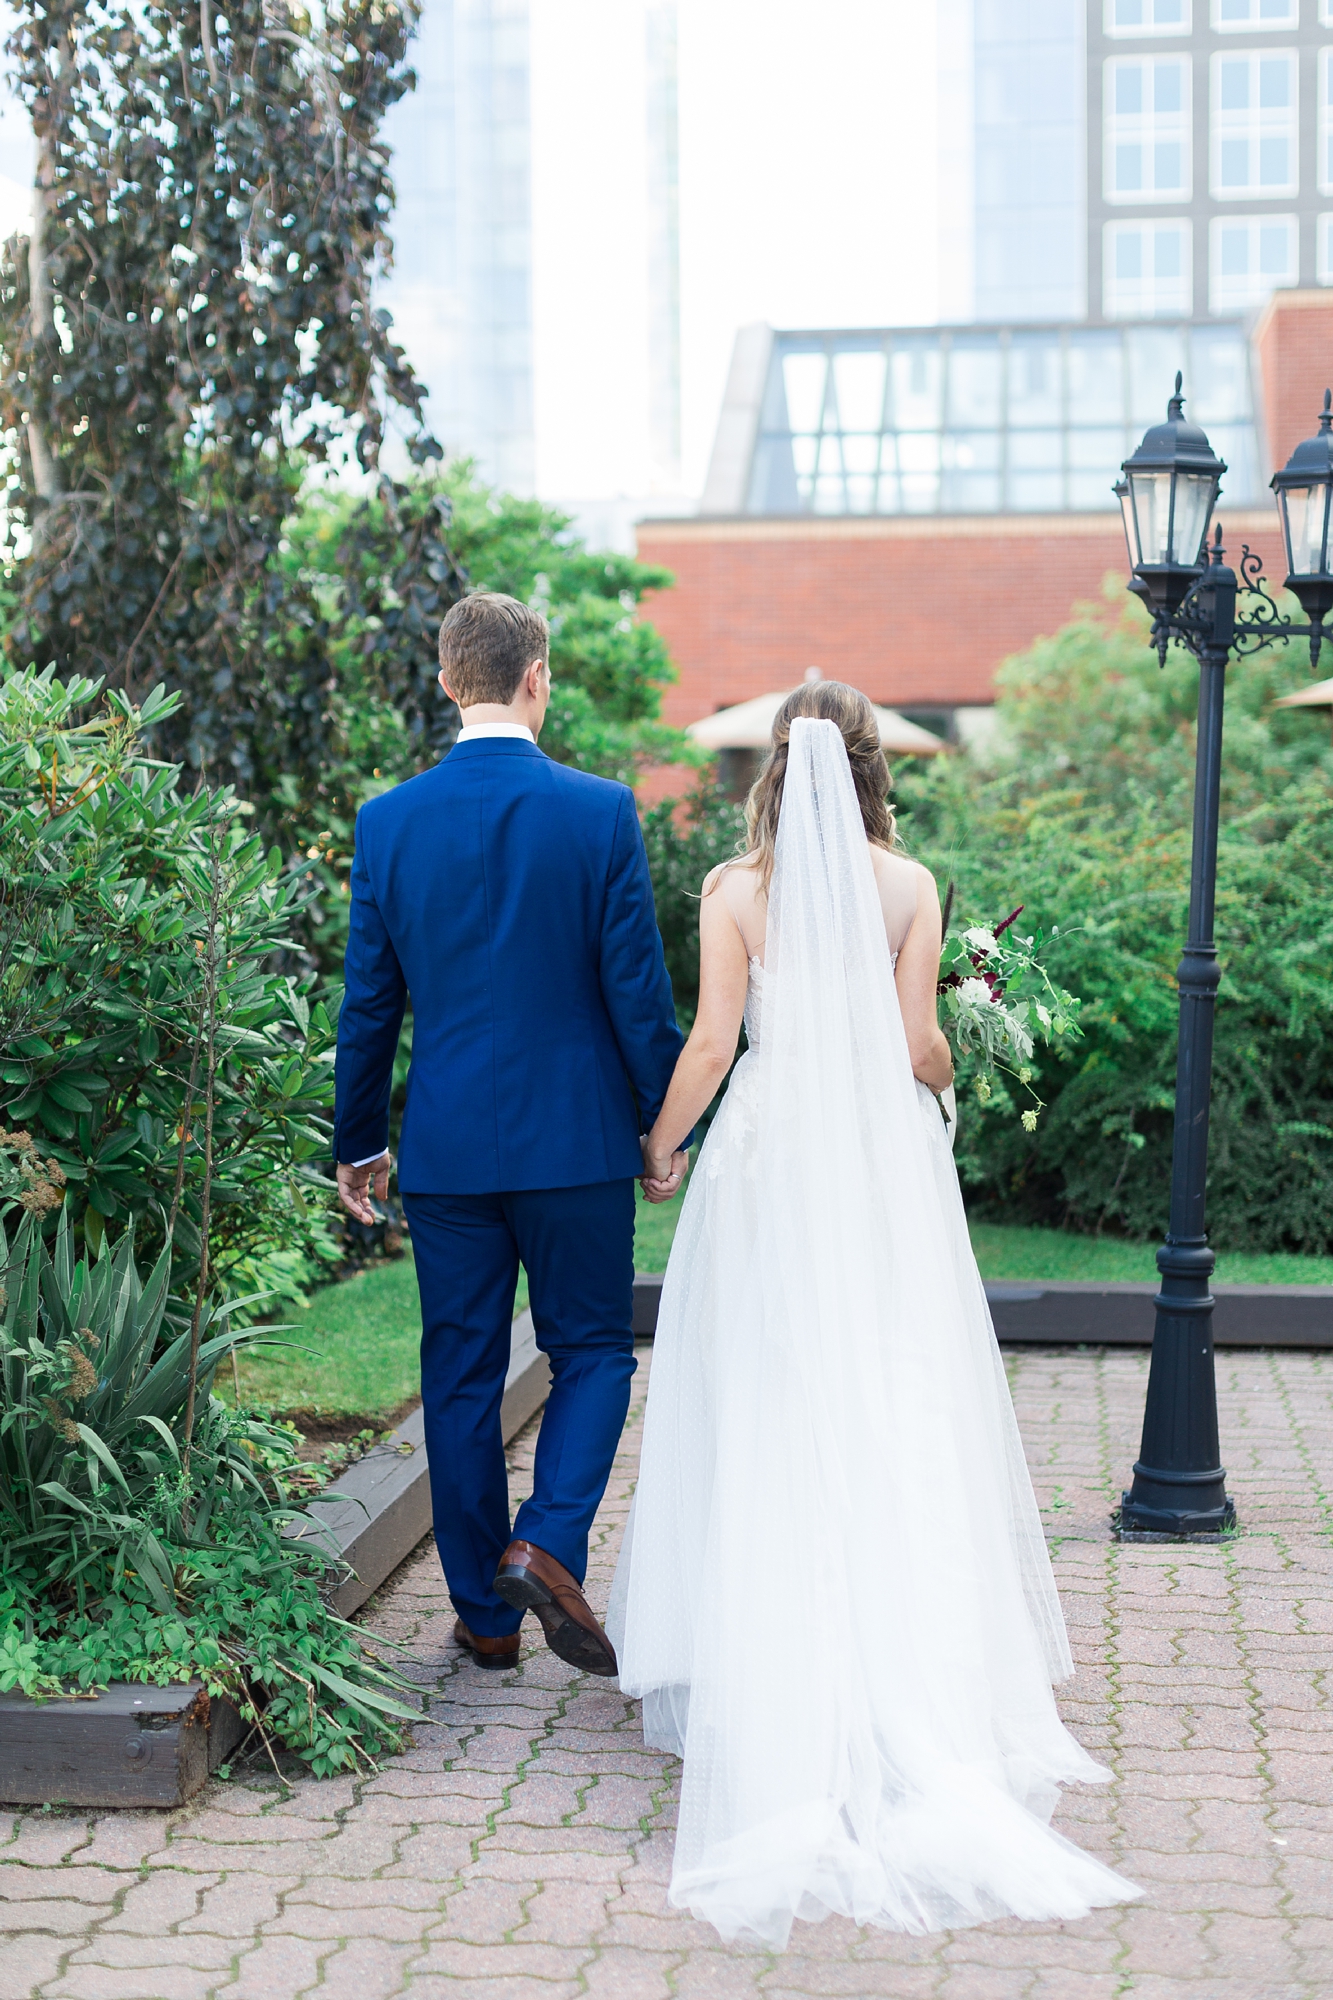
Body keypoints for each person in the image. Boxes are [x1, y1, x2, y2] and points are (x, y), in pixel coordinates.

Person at [608, 681, 1140, 1948]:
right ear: (865, 767)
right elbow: (915, 1050)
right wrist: (969, 1032)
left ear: (774, 770)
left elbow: (714, 1041)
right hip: (875, 1163)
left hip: (771, 1156)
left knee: (764, 1387)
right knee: (889, 1382)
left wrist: (660, 1144)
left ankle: (763, 1656)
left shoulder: (734, 893)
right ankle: (905, 1660)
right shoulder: (912, 886)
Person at [333, 591, 687, 1676]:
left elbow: (368, 1005)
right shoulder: (598, 811)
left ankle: (485, 1616)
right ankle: (546, 1540)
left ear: (448, 682)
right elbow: (638, 996)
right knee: (589, 1352)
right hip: (574, 1144)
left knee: (460, 1371)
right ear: (536, 676)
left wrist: (356, 1142)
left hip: (444, 1151)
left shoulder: (387, 821)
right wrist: (662, 1124)